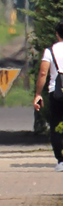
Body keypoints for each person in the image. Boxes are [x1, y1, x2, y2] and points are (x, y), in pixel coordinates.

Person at [32, 20, 63, 171]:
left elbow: (43, 73)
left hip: (56, 93)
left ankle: (61, 161)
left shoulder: (50, 51)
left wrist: (38, 94)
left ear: (57, 34)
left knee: (57, 126)